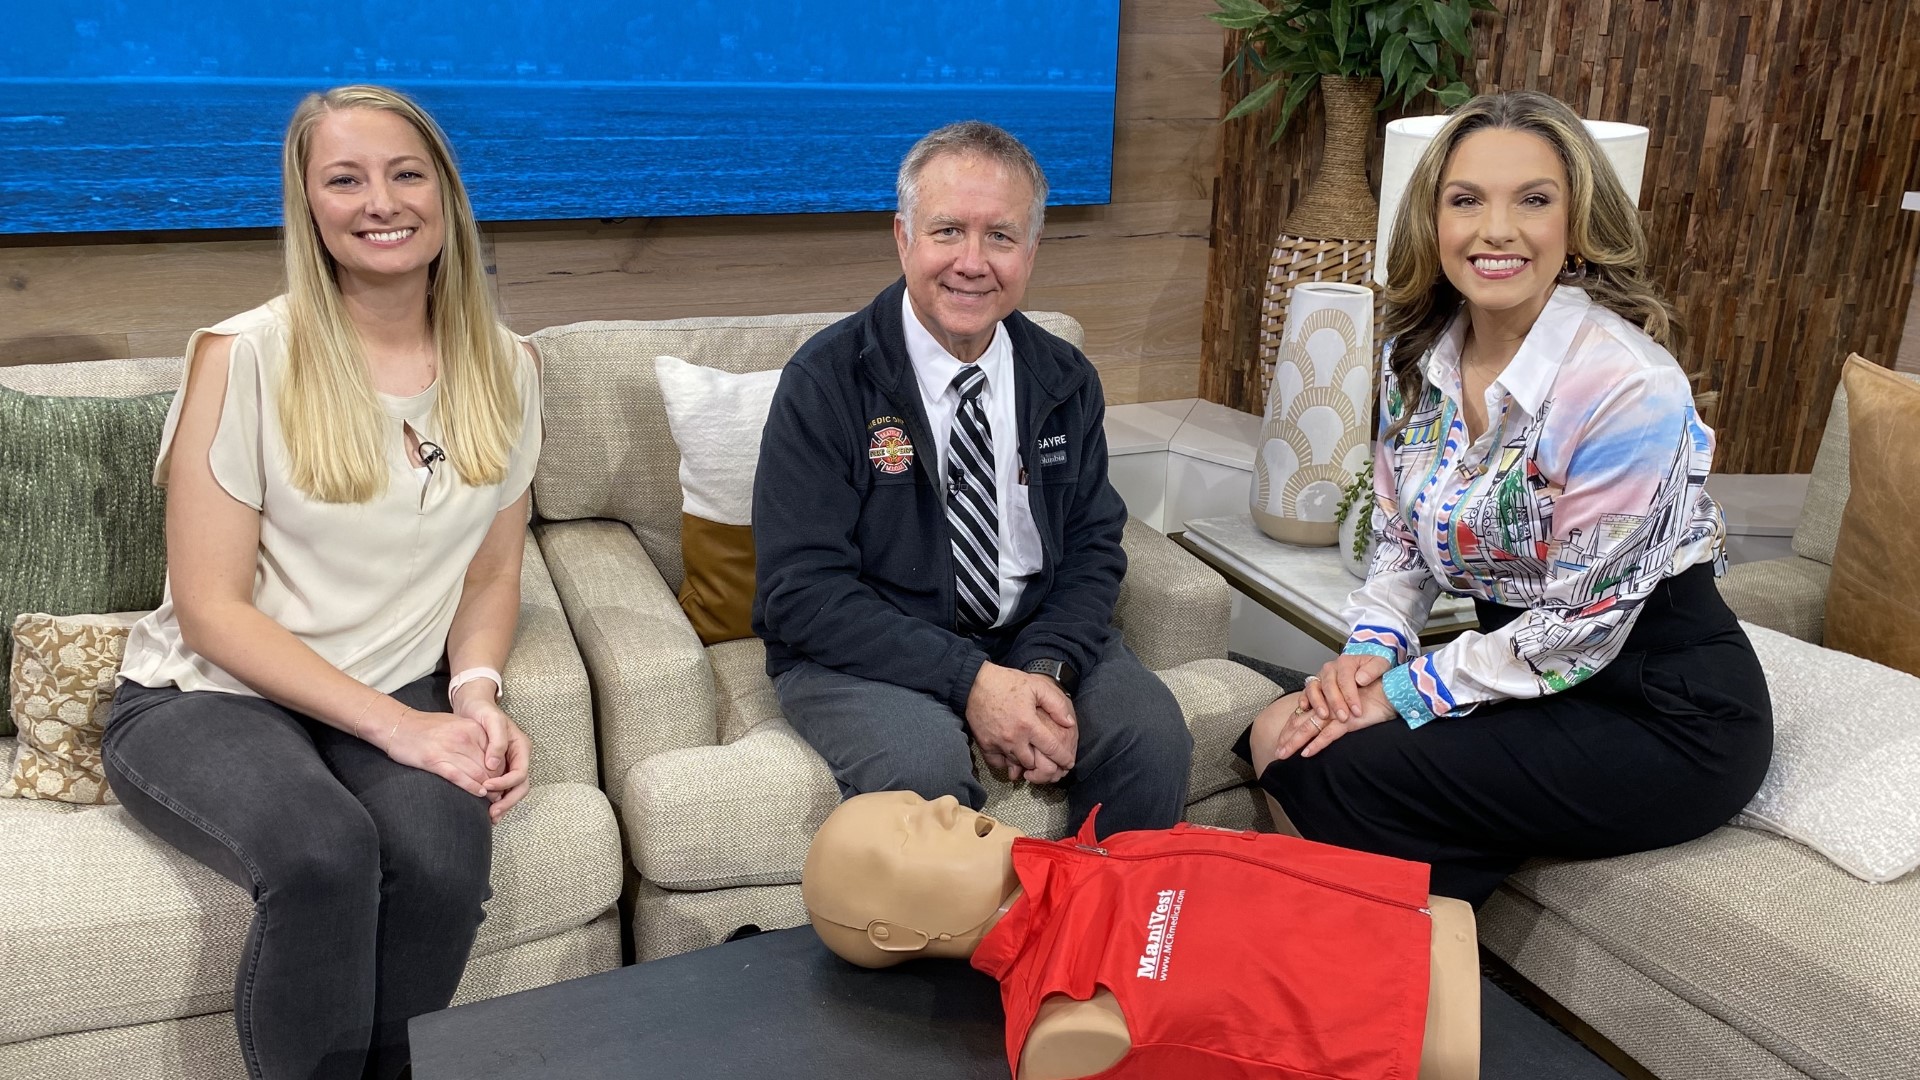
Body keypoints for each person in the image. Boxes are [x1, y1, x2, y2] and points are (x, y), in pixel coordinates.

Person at [100, 85, 542, 1080]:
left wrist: (474, 694)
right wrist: (402, 728)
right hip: (205, 698)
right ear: (311, 206)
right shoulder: (243, 355)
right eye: (345, 179)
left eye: (403, 173)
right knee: (324, 853)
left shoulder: (510, 369)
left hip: (395, 686)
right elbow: (211, 610)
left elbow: (493, 569)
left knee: (439, 855)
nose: (379, 201)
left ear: (445, 193)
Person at [1239, 90, 1773, 905]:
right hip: (1516, 669)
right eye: (1467, 200)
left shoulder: (1627, 385)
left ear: (1575, 221)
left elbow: (1579, 630)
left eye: (1533, 199)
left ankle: (1396, 988)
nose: (1497, 229)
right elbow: (1397, 540)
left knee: (1334, 768)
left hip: (1661, 705)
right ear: (1434, 220)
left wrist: (1401, 694)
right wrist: (1370, 655)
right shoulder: (1414, 359)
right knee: (1278, 734)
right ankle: (1387, 955)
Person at [752, 121, 1191, 837]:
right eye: (948, 231)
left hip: (1028, 633)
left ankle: (1101, 941)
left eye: (1001, 237)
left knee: (1153, 739)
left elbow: (1093, 548)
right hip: (866, 652)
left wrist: (1045, 674)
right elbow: (801, 593)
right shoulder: (826, 380)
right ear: (903, 238)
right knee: (925, 776)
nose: (972, 262)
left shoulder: (1063, 377)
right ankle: (964, 953)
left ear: (1033, 251)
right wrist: (973, 683)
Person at [801, 790, 1481, 1080]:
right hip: (1433, 1030)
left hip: (1433, 919)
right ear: (896, 934)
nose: (946, 804)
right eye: (908, 831)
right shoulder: (1067, 1017)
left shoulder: (1107, 851)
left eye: (920, 801)